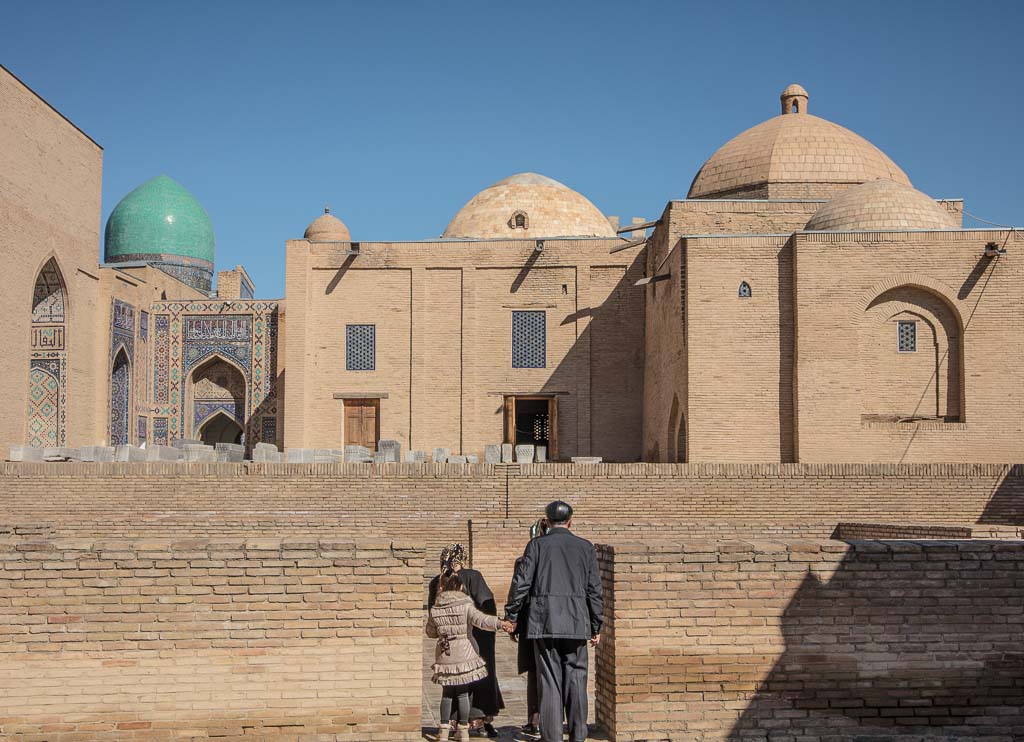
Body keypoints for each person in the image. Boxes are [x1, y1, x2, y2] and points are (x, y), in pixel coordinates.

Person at [504, 501, 603, 742]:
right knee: (577, 680)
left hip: (544, 622)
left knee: (549, 682)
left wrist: (511, 615)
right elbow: (594, 590)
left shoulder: (536, 546)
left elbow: (521, 583)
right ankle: (578, 735)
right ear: (571, 521)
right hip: (577, 623)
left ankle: (553, 737)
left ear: (547, 522)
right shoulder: (585, 547)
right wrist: (596, 624)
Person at [426, 567, 514, 742]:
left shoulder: (435, 609)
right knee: (462, 694)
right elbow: (482, 620)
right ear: (460, 587)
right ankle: (463, 731)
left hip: (445, 655)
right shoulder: (466, 605)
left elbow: (430, 632)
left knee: (447, 694)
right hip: (465, 655)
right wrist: (501, 624)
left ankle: (443, 730)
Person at [507, 519, 548, 739]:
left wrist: (513, 622)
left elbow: (518, 591)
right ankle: (541, 720)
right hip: (548, 624)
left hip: (532, 624)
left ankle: (536, 721)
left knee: (536, 673)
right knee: (546, 673)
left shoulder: (523, 561)